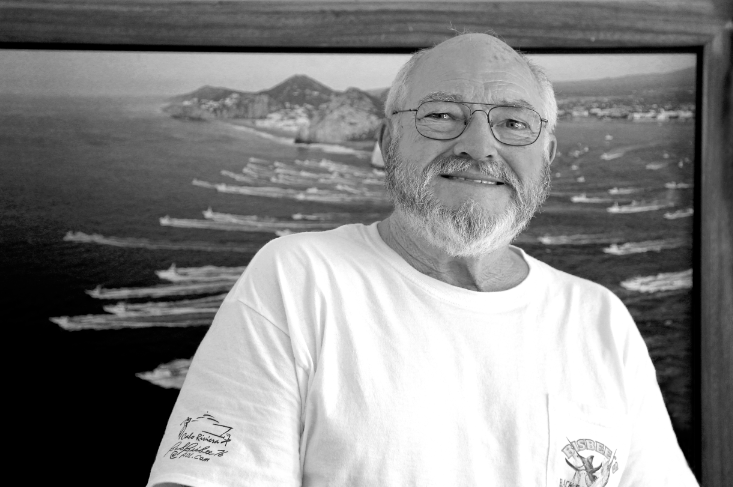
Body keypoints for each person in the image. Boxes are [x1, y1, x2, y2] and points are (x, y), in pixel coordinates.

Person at [147, 33, 698, 487]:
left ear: (547, 154)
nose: (479, 146)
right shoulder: (298, 279)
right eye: (441, 115)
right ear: (388, 142)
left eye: (514, 123)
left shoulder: (600, 318)